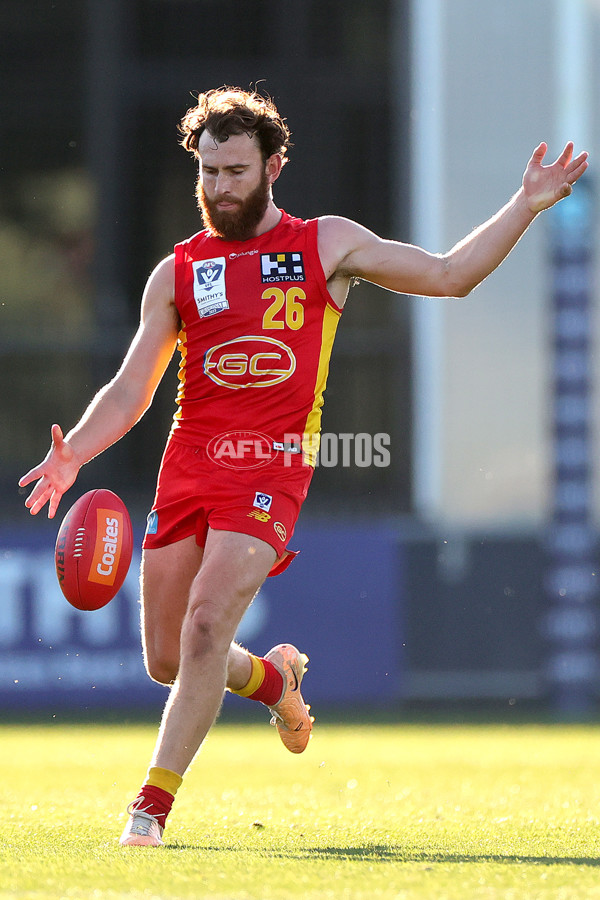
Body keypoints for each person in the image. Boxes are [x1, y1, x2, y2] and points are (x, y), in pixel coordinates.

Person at [19, 87, 588, 847]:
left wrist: (524, 205)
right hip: (188, 465)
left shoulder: (325, 245)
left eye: (235, 170)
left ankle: (147, 813)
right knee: (168, 659)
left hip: (272, 469)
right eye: (208, 170)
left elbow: (452, 274)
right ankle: (274, 680)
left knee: (204, 625)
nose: (219, 187)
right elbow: (131, 388)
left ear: (273, 166)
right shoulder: (180, 271)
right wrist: (73, 454)